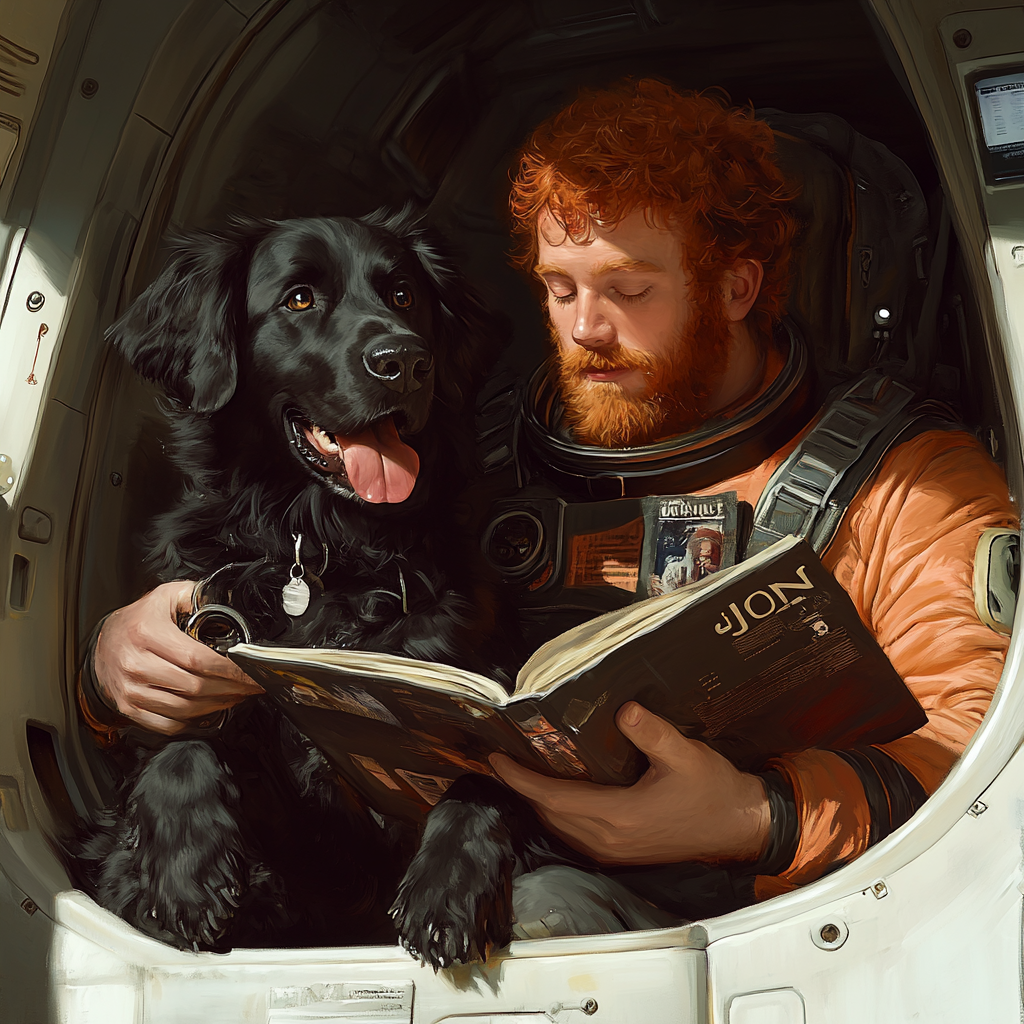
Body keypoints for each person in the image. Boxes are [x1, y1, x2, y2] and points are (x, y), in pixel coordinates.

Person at [80, 79, 1017, 935]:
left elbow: (982, 769)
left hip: (788, 918)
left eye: (629, 290)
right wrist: (114, 664)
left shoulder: (909, 484)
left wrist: (756, 817)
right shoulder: (460, 460)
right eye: (559, 288)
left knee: (537, 918)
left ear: (736, 287)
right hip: (413, 876)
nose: (583, 330)